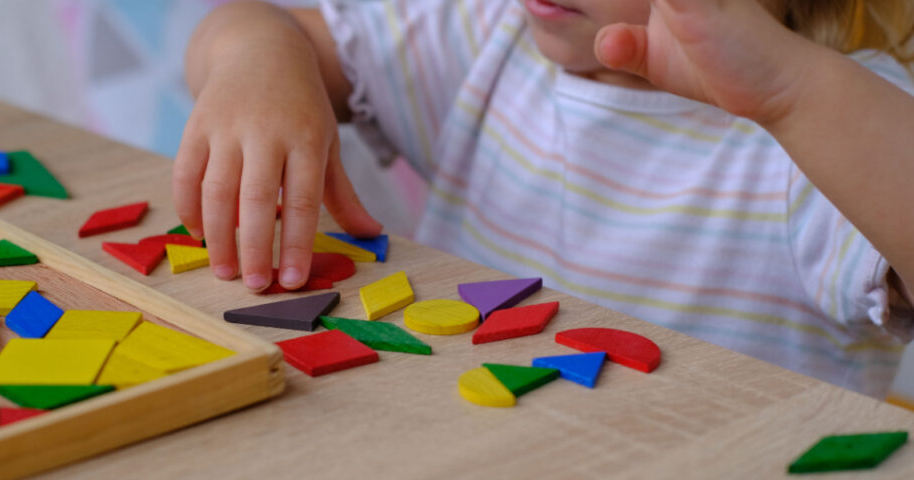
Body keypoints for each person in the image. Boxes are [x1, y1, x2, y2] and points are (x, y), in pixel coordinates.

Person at [174, 0, 914, 398]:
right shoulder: (489, 34)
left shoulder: (845, 120)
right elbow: (254, 22)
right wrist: (257, 59)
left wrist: (792, 96)